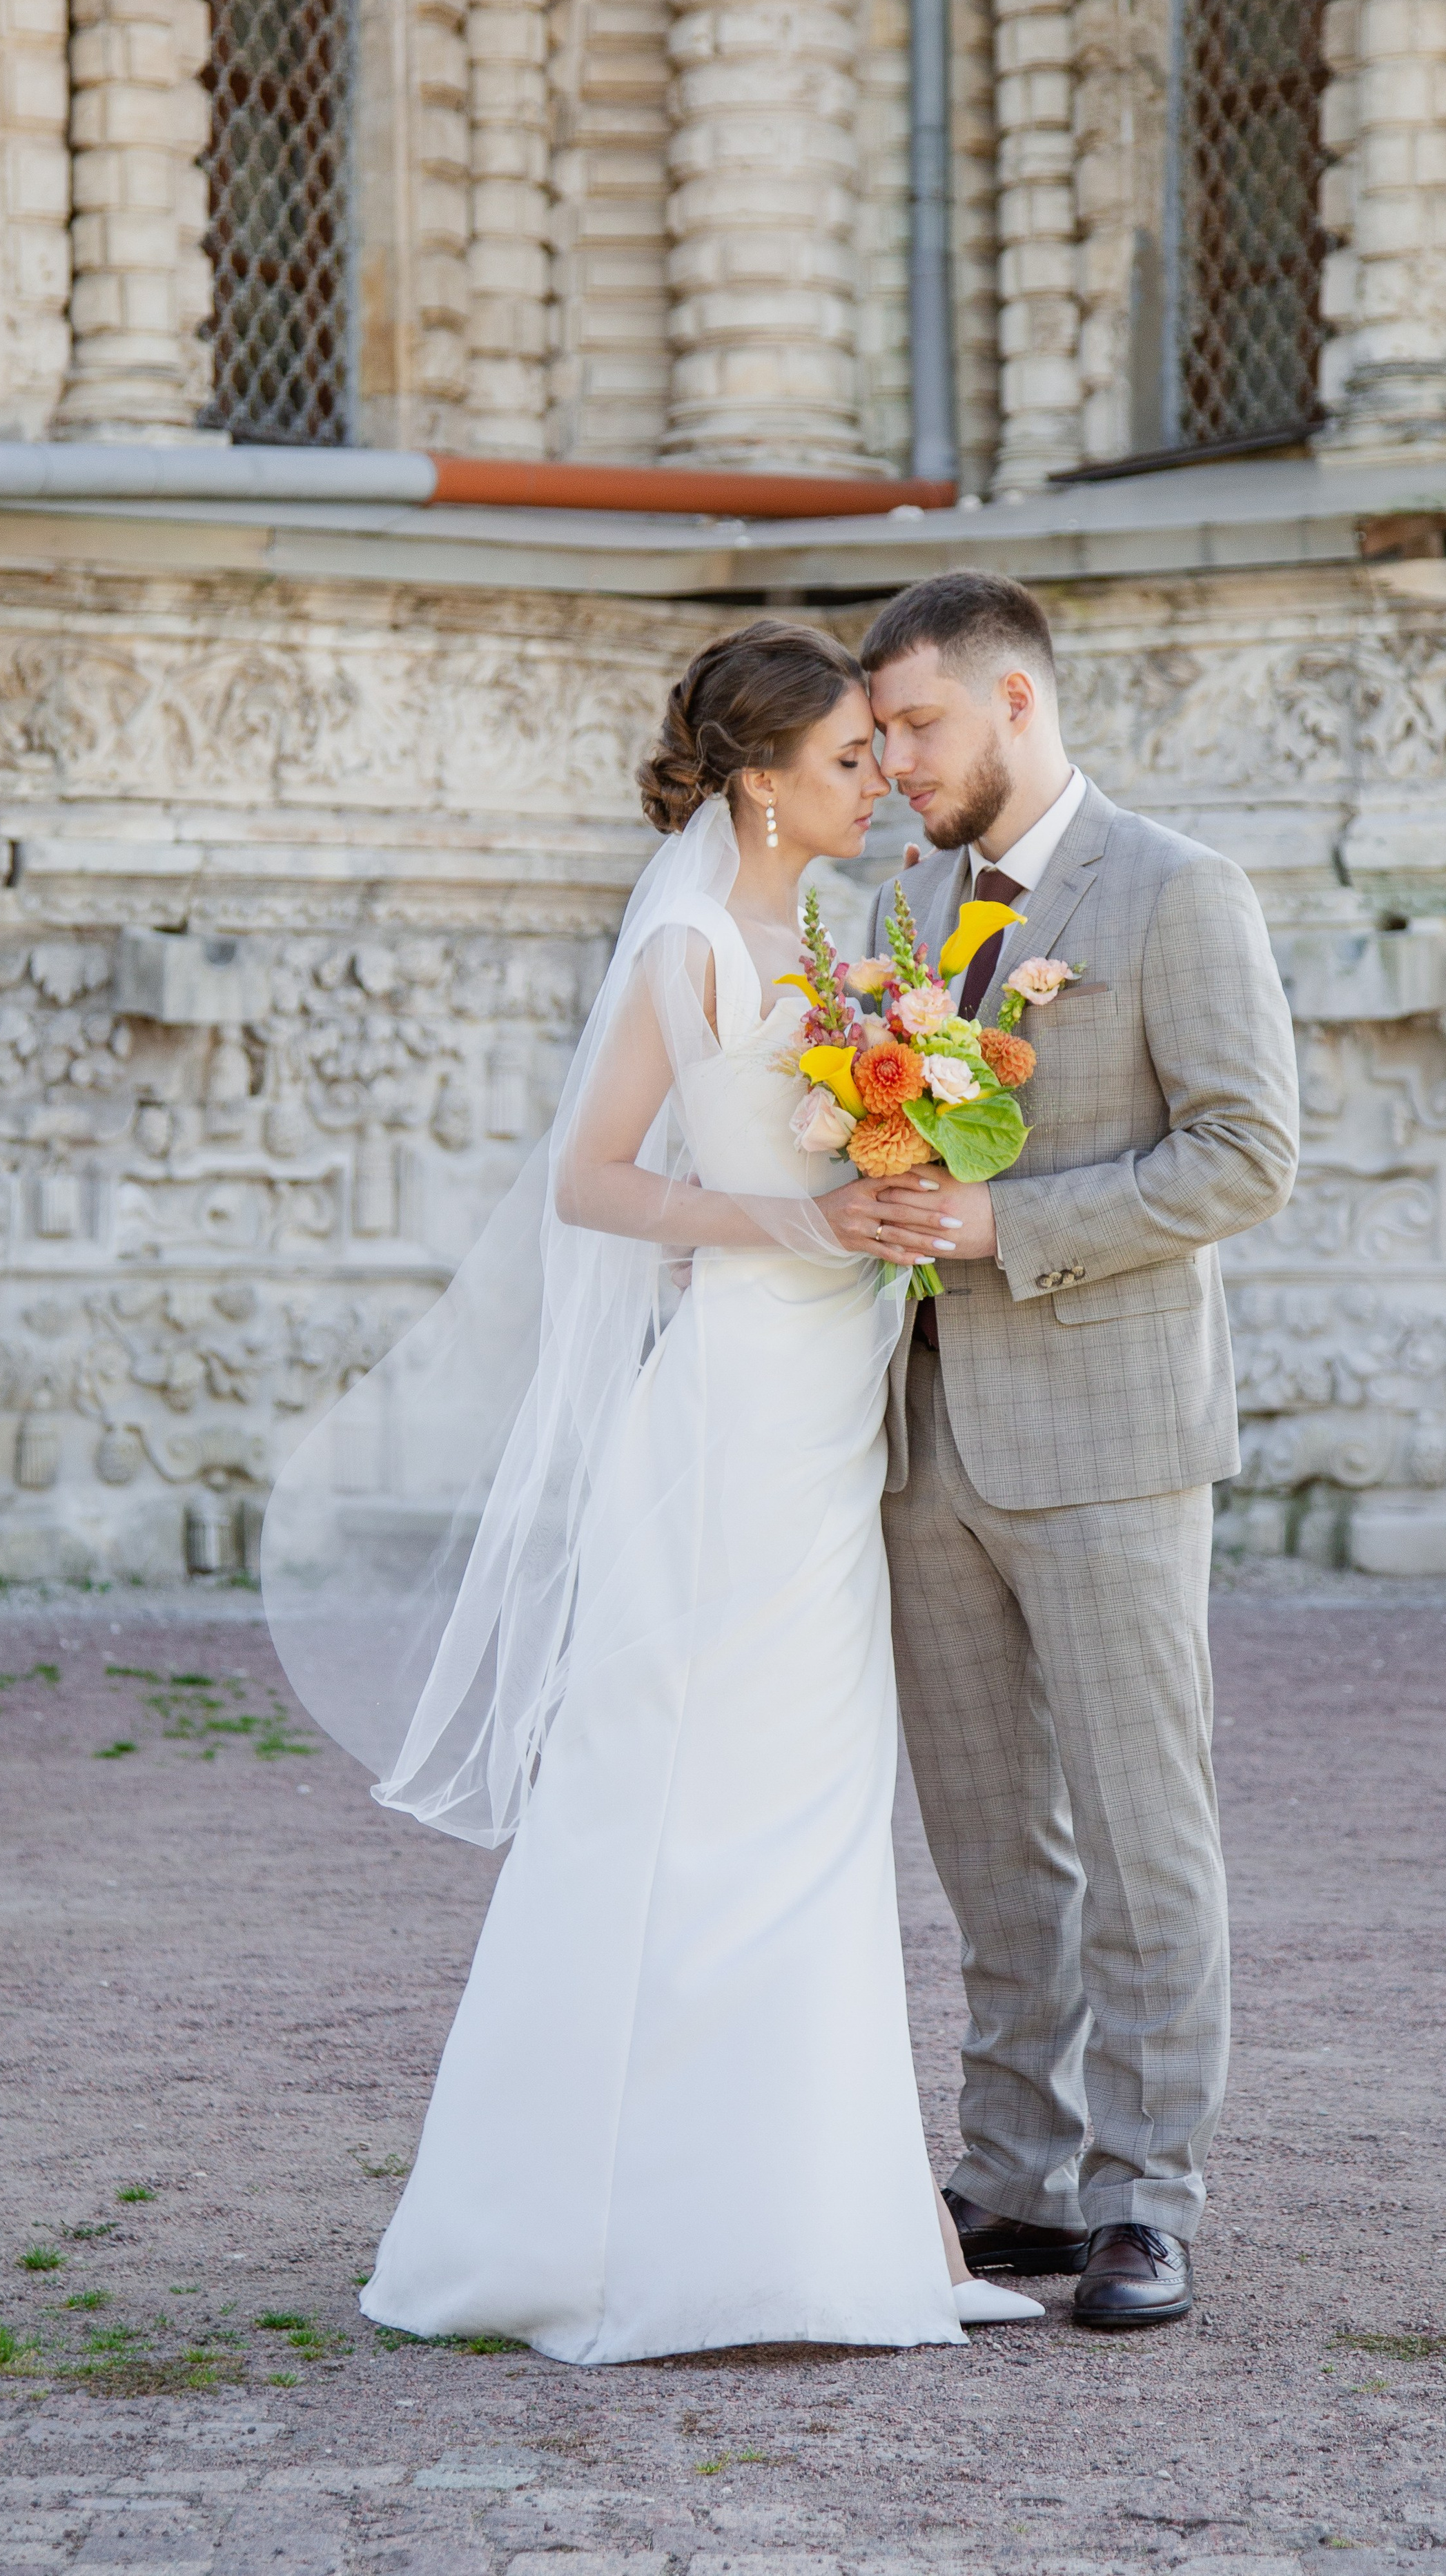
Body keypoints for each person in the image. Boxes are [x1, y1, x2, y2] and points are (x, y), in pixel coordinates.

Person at [261, 619, 1042, 2364]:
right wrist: (789, 1222)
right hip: (732, 1425)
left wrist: (905, 1156)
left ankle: (824, 2222)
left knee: (820, 1809)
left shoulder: (843, 938)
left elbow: (867, 1144)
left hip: (833, 1405)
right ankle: (585, 2228)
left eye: (880, 754)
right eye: (850, 759)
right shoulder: (691, 942)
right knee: (686, 1790)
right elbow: (593, 1184)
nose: (882, 782)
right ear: (760, 779)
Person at [826, 571, 1300, 2328]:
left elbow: (1244, 1156)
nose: (890, 761)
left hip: (1105, 1431)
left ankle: (1144, 2194)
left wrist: (994, 1230)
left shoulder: (1178, 891)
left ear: (1014, 705)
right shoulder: (912, 892)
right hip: (923, 1435)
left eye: (915, 727)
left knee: (1138, 1821)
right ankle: (1011, 2175)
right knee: (981, 1832)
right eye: (874, 736)